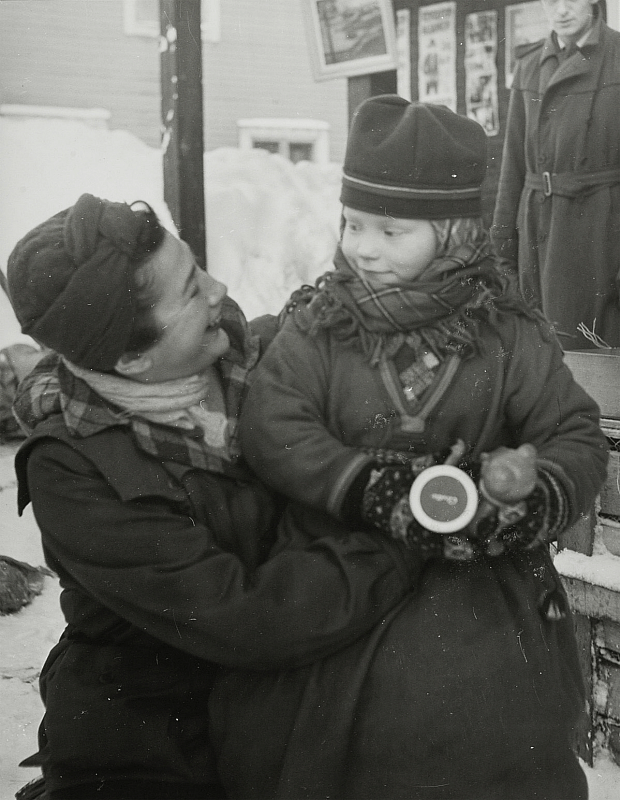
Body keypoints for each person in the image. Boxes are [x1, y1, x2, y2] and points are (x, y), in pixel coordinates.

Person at [208, 96, 609, 799]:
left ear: (454, 232)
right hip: (344, 576)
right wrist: (366, 485)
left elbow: (572, 433)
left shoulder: (507, 334)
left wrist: (532, 489)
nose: (364, 247)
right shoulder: (320, 326)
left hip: (479, 586)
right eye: (354, 224)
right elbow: (275, 422)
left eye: (391, 231)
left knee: (478, 739)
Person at [5, 193, 426, 800]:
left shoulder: (241, 353)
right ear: (131, 356)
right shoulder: (75, 471)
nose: (218, 288)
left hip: (282, 695)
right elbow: (248, 618)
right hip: (153, 737)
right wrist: (402, 544)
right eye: (189, 292)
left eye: (196, 267)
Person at [491, 0, 620, 351]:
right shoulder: (530, 65)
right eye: (551, 1)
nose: (560, 10)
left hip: (602, 236)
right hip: (538, 234)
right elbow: (512, 167)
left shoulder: (617, 56)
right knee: (544, 359)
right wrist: (502, 253)